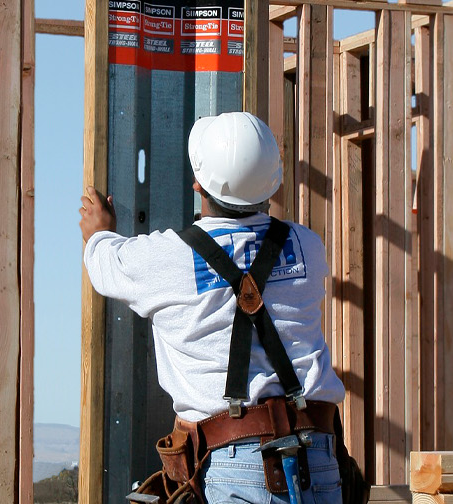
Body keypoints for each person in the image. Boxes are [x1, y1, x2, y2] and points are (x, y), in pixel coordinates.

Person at [79, 111, 351, 503]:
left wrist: (99, 231)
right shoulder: (308, 246)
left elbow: (106, 265)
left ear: (198, 186)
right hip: (319, 461)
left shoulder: (169, 258)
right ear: (272, 184)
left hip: (235, 465)